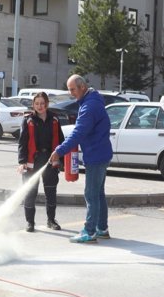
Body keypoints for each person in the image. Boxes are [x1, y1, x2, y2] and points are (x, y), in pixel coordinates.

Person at [49, 75, 113, 243]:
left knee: (91, 194)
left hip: (96, 156)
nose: (71, 94)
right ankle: (102, 228)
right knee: (98, 193)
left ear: (82, 87)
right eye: (69, 90)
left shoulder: (89, 107)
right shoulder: (93, 100)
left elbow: (78, 133)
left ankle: (90, 231)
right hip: (101, 153)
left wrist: (59, 151)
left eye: (73, 90)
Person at [17, 92, 65, 233]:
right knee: (30, 193)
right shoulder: (28, 120)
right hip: (32, 162)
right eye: (37, 103)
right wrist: (22, 161)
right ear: (33, 105)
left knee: (51, 192)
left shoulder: (54, 119)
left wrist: (61, 160)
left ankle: (51, 220)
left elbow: (61, 141)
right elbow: (22, 143)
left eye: (42, 103)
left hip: (50, 161)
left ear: (47, 104)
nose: (39, 106)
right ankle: (30, 222)